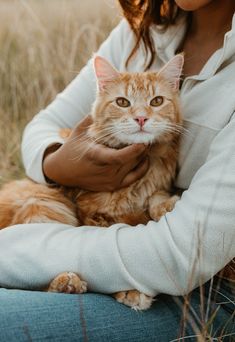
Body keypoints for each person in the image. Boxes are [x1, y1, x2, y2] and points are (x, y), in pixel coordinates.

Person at [0, 0, 234, 340]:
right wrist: (58, 164)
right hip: (112, 251)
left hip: (211, 289)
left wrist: (12, 251)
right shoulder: (149, 26)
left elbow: (185, 254)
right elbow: (46, 125)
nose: (140, 116)